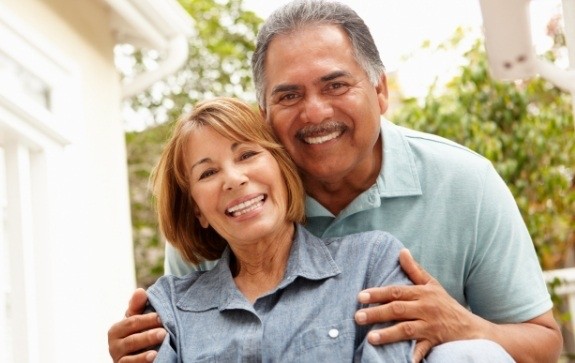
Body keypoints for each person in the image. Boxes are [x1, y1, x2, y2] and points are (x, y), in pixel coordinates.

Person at [108, 1, 562, 362]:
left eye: (335, 85)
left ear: (380, 91)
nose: (315, 112)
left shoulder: (463, 182)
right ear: (264, 115)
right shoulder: (237, 207)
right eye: (288, 95)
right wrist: (140, 347)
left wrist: (465, 325)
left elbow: (543, 343)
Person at [143, 96, 513, 362]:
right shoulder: (168, 307)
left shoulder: (373, 263)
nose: (234, 179)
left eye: (247, 154)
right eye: (208, 173)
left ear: (282, 169)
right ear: (198, 210)